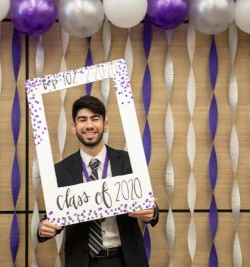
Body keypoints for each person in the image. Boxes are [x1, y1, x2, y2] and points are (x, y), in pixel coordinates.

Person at [38, 95, 159, 267]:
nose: (89, 125)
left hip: (125, 259)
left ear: (105, 125)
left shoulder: (130, 161)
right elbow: (53, 216)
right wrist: (44, 228)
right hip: (82, 261)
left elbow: (149, 207)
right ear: (74, 127)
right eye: (82, 119)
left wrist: (151, 212)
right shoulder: (60, 171)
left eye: (95, 119)